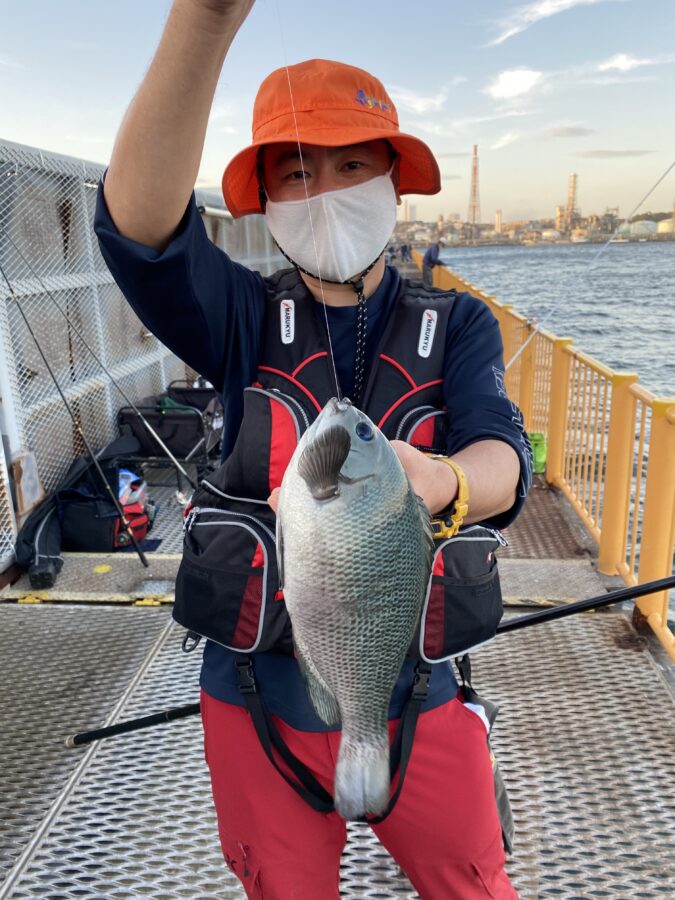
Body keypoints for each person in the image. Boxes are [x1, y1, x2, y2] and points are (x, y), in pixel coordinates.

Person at [95, 2, 532, 897]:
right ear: (263, 199)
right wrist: (205, 19)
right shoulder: (240, 313)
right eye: (296, 171)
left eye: (352, 164)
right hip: (255, 694)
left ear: (392, 183)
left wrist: (444, 477)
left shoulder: (459, 325)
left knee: (474, 883)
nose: (326, 188)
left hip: (416, 689)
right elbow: (139, 229)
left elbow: (504, 461)